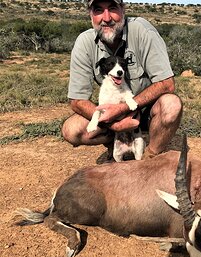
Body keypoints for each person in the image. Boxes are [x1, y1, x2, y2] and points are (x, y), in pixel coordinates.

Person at [62, 0, 182, 162]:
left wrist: (123, 109)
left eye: (112, 8)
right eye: (98, 10)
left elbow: (167, 84)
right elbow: (77, 101)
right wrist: (113, 124)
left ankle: (150, 156)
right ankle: (116, 141)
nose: (106, 17)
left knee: (171, 105)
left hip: (145, 111)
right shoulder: (84, 42)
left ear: (123, 9)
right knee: (71, 130)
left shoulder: (142, 31)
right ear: (91, 15)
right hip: (109, 114)